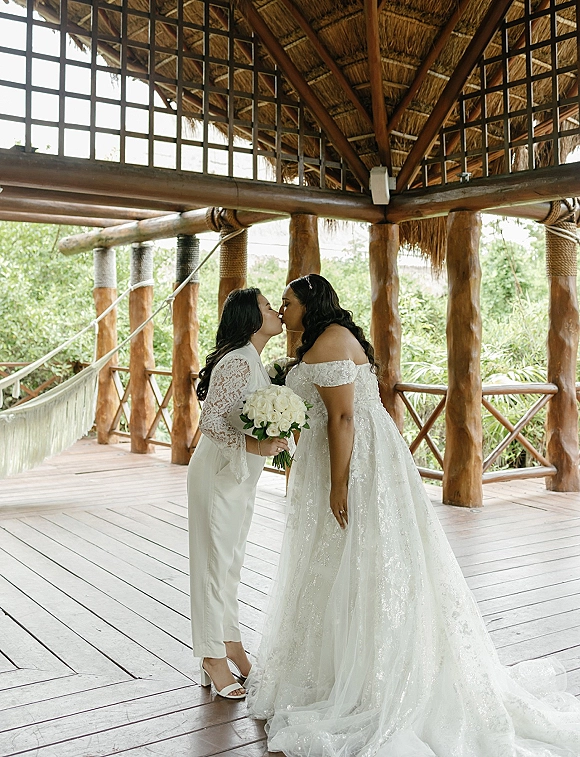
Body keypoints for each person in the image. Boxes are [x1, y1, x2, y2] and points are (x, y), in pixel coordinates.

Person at [246, 273, 580, 756]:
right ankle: (328, 668)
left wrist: (339, 484)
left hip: (357, 464)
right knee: (330, 558)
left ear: (311, 303)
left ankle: (370, 678)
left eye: (289, 303)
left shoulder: (333, 341)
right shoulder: (319, 341)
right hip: (336, 456)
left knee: (358, 555)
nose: (285, 310)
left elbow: (343, 418)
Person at [188, 288, 289, 700]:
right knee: (214, 566)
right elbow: (210, 420)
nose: (276, 311)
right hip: (218, 474)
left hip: (237, 477)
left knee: (230, 566)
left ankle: (230, 645)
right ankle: (212, 657)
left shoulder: (253, 361)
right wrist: (257, 447)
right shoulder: (236, 361)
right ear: (251, 319)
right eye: (268, 307)